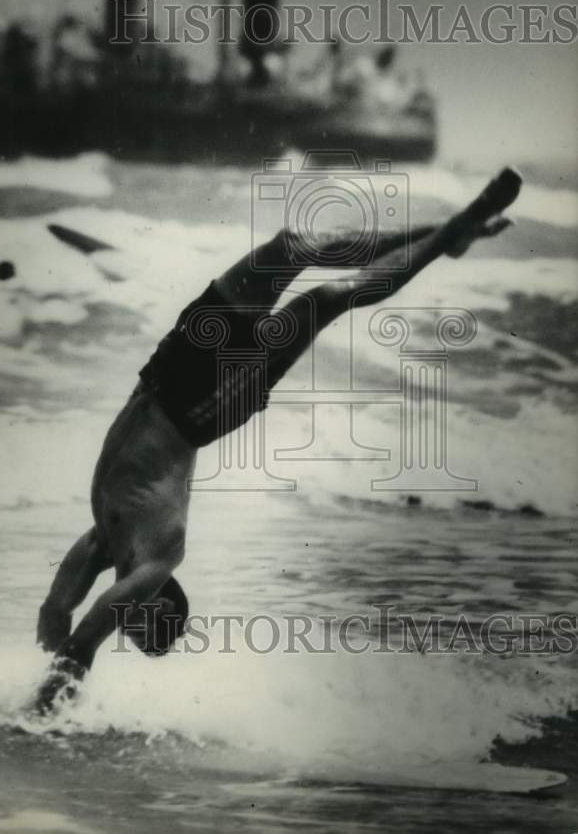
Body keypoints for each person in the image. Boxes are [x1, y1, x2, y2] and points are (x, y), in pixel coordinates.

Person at [35, 167, 522, 708]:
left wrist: (41, 711)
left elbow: (65, 623)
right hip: (201, 406)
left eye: (131, 627)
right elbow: (73, 631)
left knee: (298, 258)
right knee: (318, 289)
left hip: (171, 385)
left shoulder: (119, 546)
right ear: (155, 605)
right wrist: (50, 703)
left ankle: (445, 234)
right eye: (137, 629)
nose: (124, 622)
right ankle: (445, 236)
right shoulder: (156, 558)